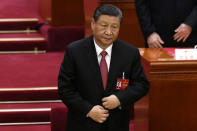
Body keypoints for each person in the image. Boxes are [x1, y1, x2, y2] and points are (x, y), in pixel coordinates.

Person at [58, 4, 149, 131]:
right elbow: (65, 88)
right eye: (104, 25)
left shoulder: (130, 53)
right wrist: (88, 110)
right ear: (93, 24)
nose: (109, 32)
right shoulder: (75, 51)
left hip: (117, 124)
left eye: (114, 27)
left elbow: (142, 84)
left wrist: (119, 99)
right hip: (83, 124)